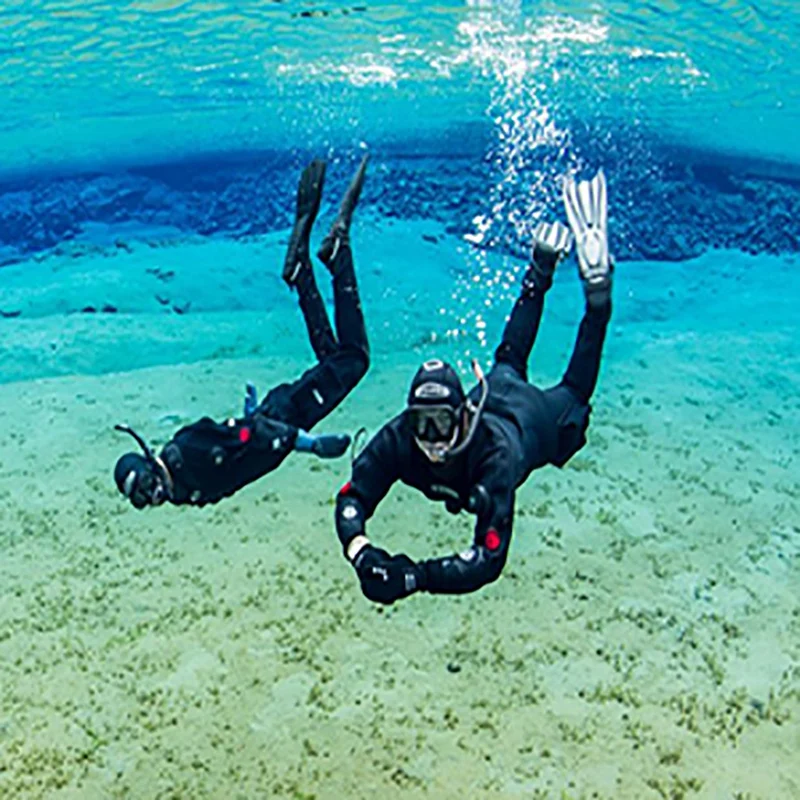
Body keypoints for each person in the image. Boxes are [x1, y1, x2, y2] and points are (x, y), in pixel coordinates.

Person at [335, 169, 613, 604]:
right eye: (421, 424)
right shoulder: (399, 438)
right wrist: (360, 551)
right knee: (507, 359)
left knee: (574, 395)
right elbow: (352, 498)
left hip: (529, 422)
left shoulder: (495, 461)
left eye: (440, 423)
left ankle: (597, 298)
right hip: (497, 387)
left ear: (463, 415)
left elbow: (488, 560)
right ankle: (540, 267)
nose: (431, 440)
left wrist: (415, 577)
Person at [113, 155, 370, 509]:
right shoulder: (180, 487)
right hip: (275, 417)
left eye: (145, 485)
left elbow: (251, 437)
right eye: (141, 499)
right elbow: (236, 441)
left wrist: (310, 445)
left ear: (148, 461)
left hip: (285, 418)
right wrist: (250, 416)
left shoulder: (184, 453)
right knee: (335, 360)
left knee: (354, 360)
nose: (153, 496)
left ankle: (333, 255)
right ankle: (303, 272)